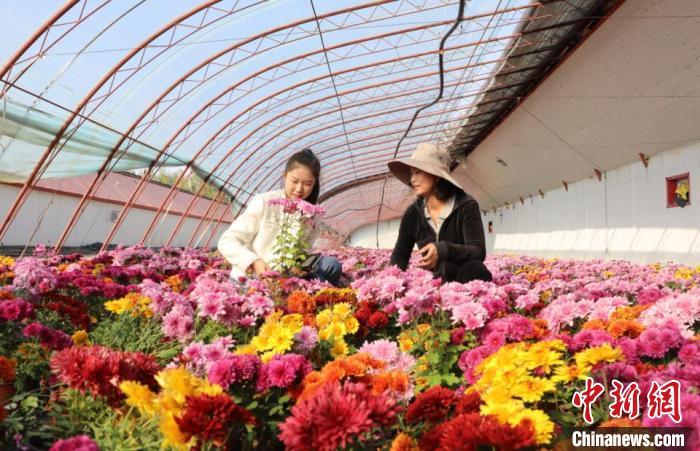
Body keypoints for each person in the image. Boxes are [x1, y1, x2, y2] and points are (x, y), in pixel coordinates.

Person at [217, 149, 343, 285]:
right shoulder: (265, 201)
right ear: (285, 176)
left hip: (286, 276)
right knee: (322, 283)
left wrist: (300, 266)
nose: (299, 189)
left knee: (332, 266)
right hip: (254, 278)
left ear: (314, 183)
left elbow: (305, 249)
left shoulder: (313, 212)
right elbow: (227, 241)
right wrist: (254, 261)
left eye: (307, 184)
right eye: (294, 181)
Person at [387, 142, 492, 283]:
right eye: (411, 174)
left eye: (417, 172)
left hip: (463, 283)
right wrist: (390, 282)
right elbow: (400, 255)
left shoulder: (466, 205)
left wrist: (444, 249)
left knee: (476, 268)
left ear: (436, 176)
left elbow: (478, 251)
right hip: (431, 287)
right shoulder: (413, 214)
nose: (412, 179)